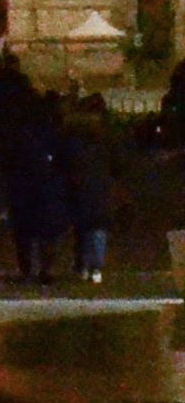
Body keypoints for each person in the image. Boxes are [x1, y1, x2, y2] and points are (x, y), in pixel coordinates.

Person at [0, 80, 70, 285]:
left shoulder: (18, 131)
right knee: (47, 232)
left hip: (22, 186)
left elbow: (7, 158)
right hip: (48, 185)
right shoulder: (53, 131)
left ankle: (27, 270)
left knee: (24, 233)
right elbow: (63, 157)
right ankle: (45, 270)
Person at [60, 92, 116, 285]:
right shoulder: (106, 136)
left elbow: (62, 162)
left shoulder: (71, 134)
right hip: (100, 186)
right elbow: (118, 162)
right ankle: (96, 267)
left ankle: (82, 264)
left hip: (77, 185)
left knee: (81, 228)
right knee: (99, 227)